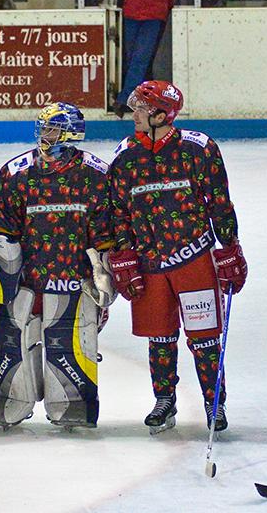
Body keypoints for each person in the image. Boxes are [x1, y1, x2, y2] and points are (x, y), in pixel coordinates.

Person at [107, 80, 246, 434]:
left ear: (161, 114)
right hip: (150, 263)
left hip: (194, 259)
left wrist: (229, 246)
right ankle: (164, 399)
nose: (134, 114)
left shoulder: (199, 149)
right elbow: (118, 211)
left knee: (205, 338)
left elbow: (219, 202)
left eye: (141, 108)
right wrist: (124, 255)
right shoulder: (125, 156)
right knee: (160, 337)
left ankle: (214, 403)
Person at [0, 102, 115, 429]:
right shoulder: (16, 172)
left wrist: (105, 276)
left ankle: (72, 401)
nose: (45, 135)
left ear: (71, 133)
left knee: (68, 341)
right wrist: (0, 275)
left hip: (73, 280)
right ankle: (9, 396)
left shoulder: (96, 174)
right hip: (25, 279)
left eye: (52, 129)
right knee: (5, 334)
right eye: (43, 128)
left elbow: (106, 231)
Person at [113, 0, 175, 117]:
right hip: (133, 14)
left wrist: (163, 7)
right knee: (133, 59)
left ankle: (124, 99)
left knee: (140, 59)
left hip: (153, 16)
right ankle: (142, 100)